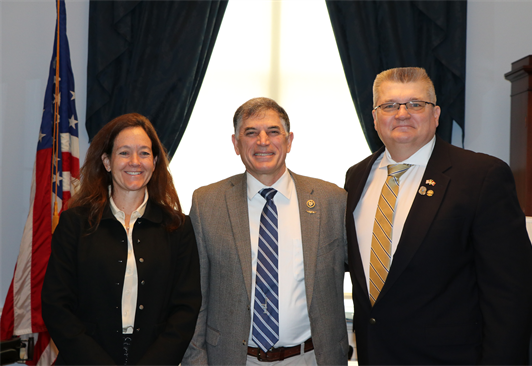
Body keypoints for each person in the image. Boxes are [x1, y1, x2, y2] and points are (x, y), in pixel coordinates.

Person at [345, 67, 532, 365]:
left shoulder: (481, 177)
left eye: (416, 104)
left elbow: (510, 295)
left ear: (435, 115)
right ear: (374, 118)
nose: (402, 113)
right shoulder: (356, 178)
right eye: (390, 105)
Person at [182, 97, 348, 366]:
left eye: (273, 132)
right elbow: (194, 296)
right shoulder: (207, 203)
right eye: (250, 133)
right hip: (234, 359)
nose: (262, 141)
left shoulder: (333, 200)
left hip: (311, 358)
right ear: (236, 144)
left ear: (289, 141)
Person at [42, 113, 201, 366]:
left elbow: (186, 308)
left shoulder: (178, 227)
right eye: (124, 153)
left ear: (156, 161)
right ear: (106, 161)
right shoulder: (74, 224)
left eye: (144, 153)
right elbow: (56, 305)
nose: (135, 162)